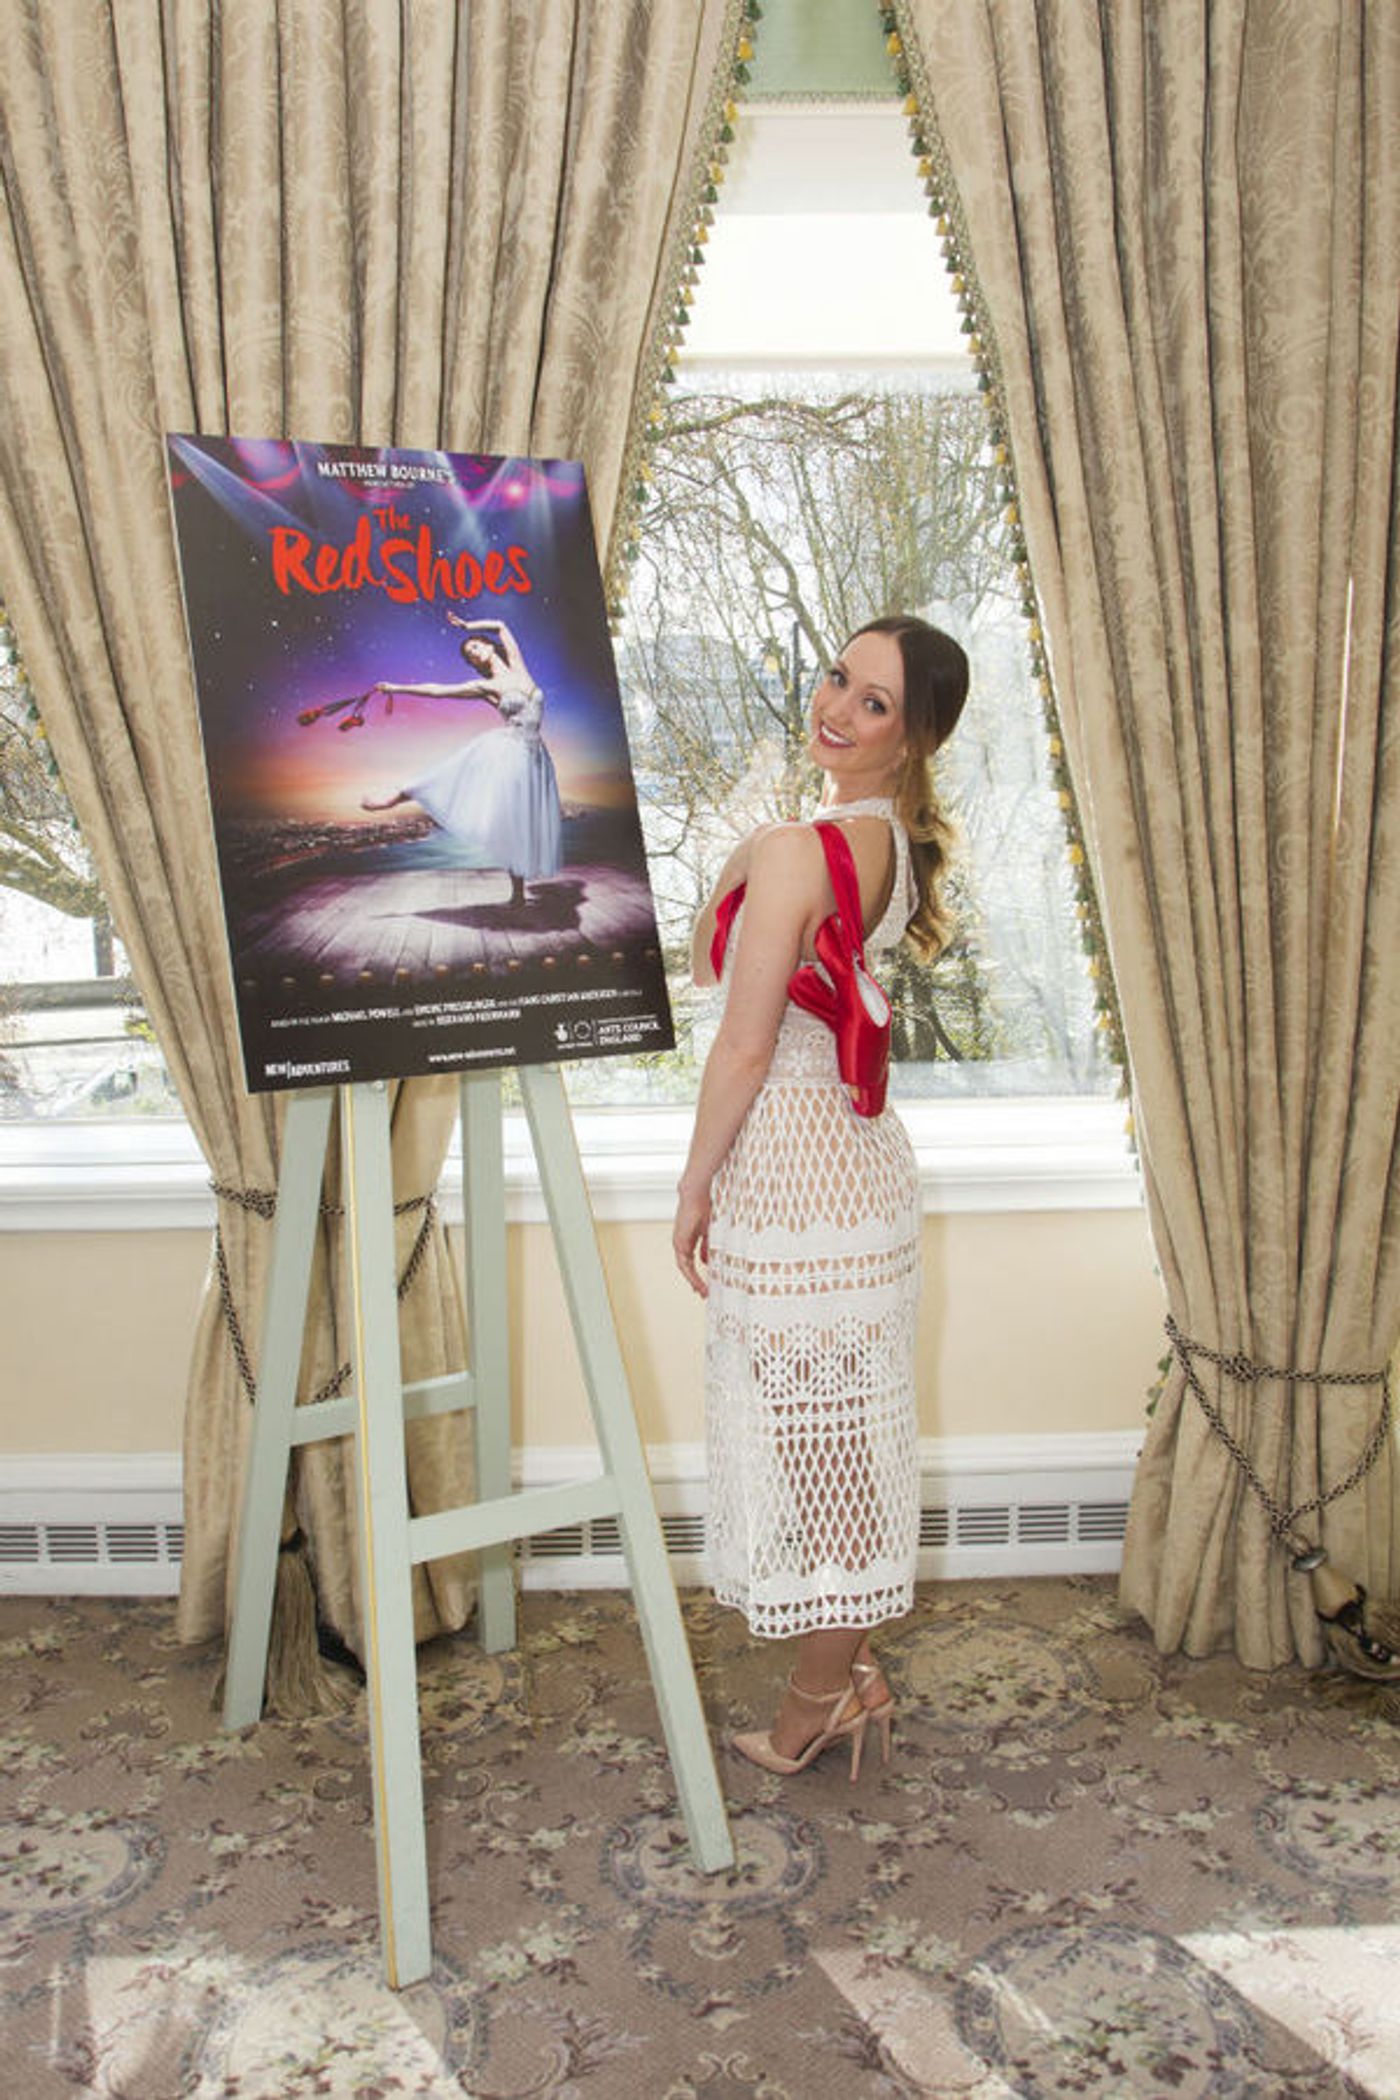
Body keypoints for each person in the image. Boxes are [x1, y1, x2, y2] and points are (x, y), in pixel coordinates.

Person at [673, 615, 969, 1779]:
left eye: (875, 702)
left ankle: (813, 1704)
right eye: (837, 678)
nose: (838, 706)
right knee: (831, 1448)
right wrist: (759, 845)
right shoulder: (878, 839)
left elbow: (742, 1047)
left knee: (825, 1461)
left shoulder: (806, 844)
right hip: (848, 1170)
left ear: (912, 738)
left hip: (797, 1178)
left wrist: (691, 1185)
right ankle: (849, 1679)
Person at [361, 614, 562, 905]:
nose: (475, 656)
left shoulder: (518, 666)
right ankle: (403, 793)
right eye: (471, 656)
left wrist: (468, 627)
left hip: (537, 756)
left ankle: (517, 894)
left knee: (522, 823)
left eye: (477, 648)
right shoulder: (485, 687)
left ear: (490, 647)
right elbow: (438, 691)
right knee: (492, 804)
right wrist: (396, 688)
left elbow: (502, 626)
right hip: (511, 750)